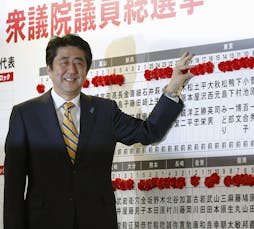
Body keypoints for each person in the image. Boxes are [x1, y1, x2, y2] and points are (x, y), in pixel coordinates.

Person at [4, 34, 194, 229]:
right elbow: (13, 187)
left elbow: (150, 132)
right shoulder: (25, 114)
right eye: (64, 62)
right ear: (50, 69)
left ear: (86, 70)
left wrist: (173, 87)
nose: (72, 69)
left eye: (79, 63)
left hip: (97, 220)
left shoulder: (105, 111)